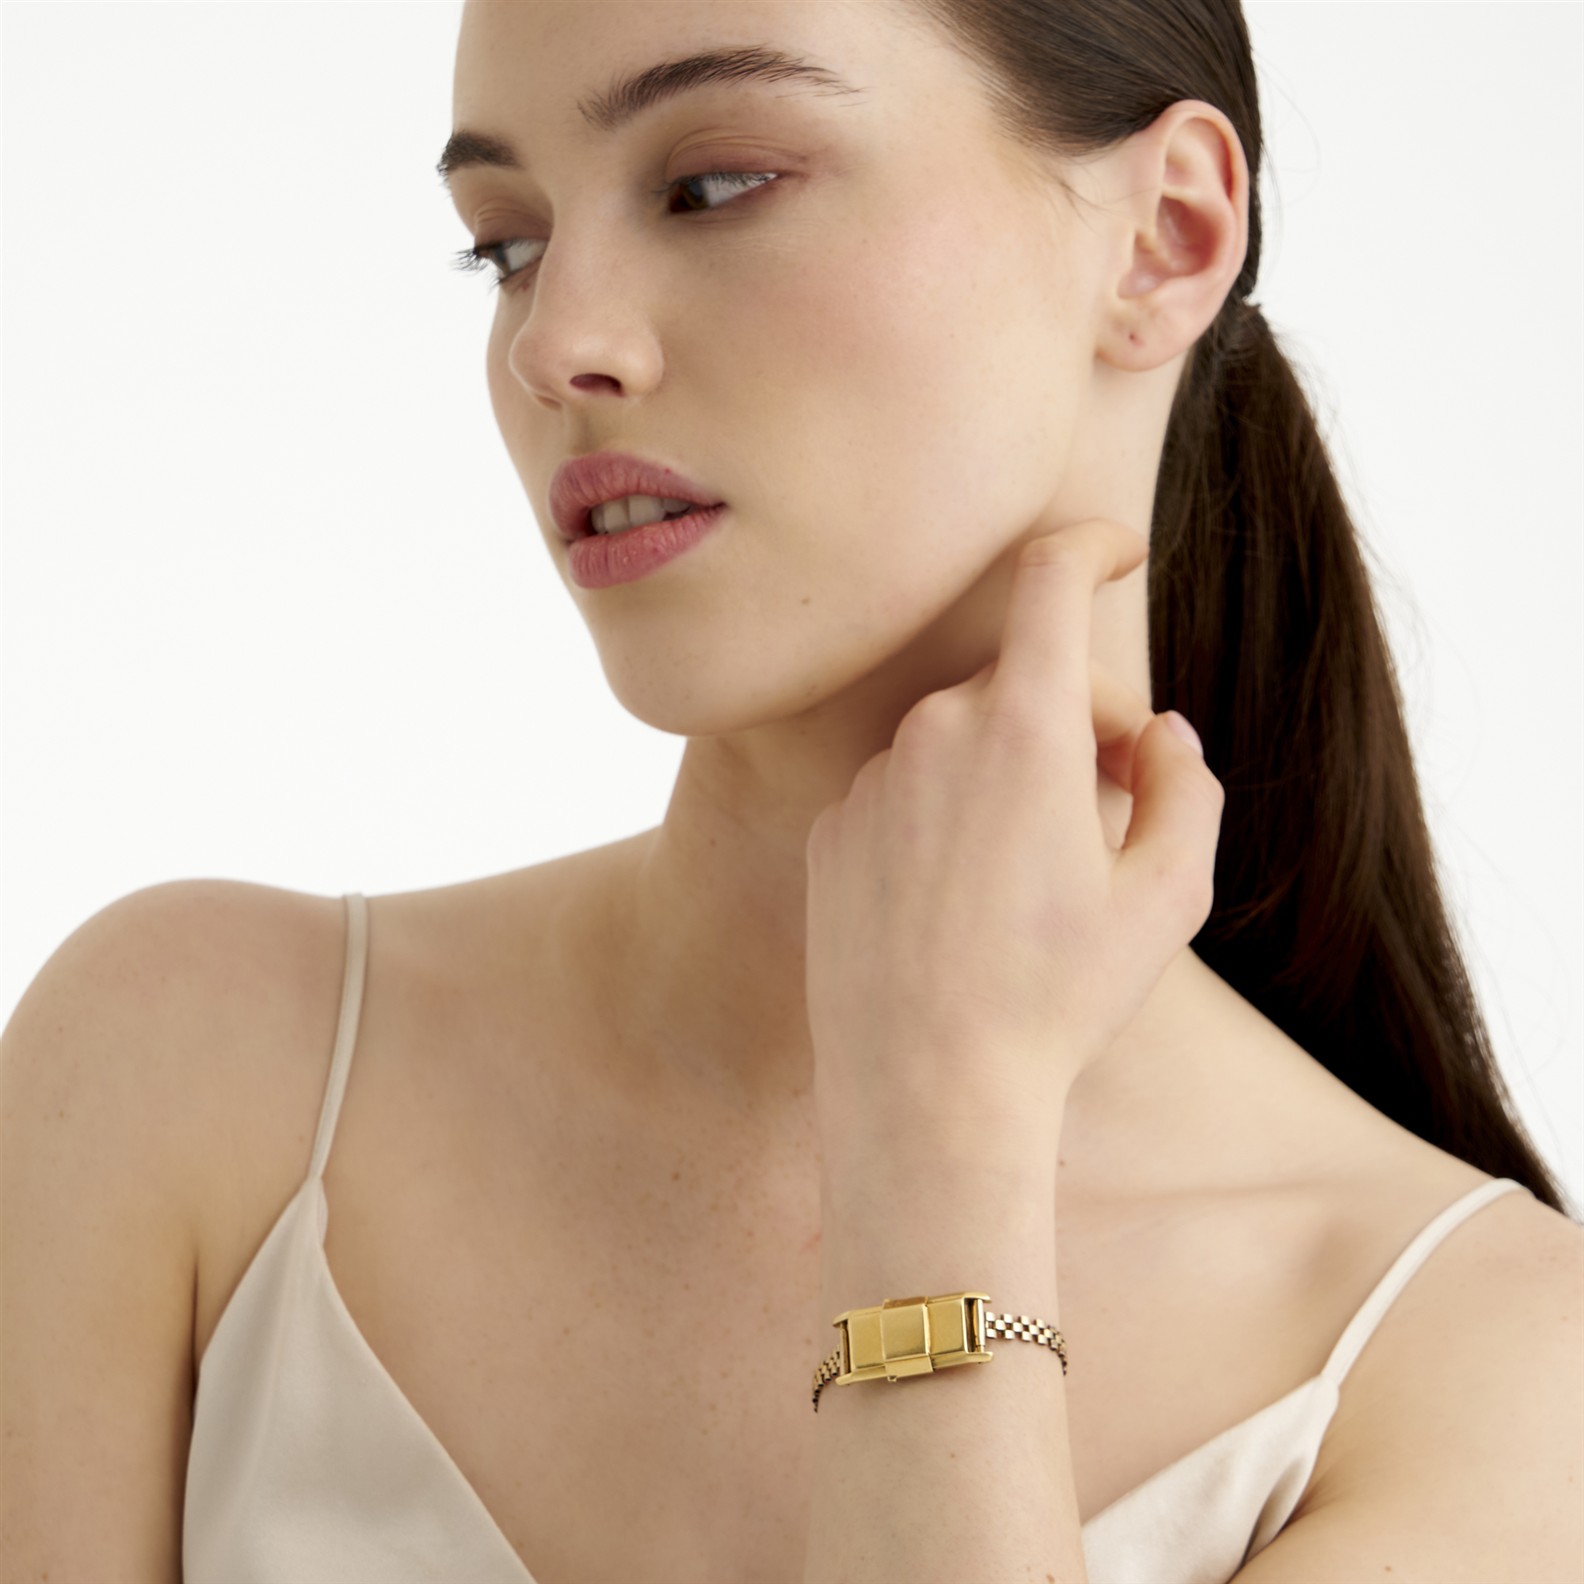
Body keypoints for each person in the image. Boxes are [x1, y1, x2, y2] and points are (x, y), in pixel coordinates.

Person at [3, 0, 1579, 1580]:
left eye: (714, 186)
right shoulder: (186, 1076)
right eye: (508, 244)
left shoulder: (1499, 1385)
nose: (557, 343)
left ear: (1165, 238)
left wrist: (939, 1161)